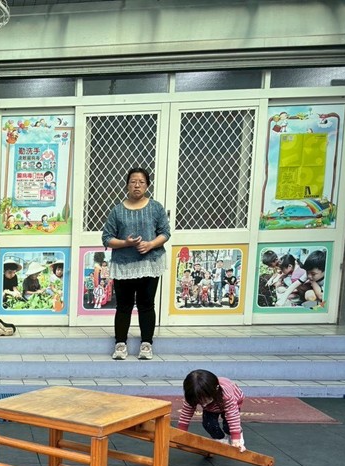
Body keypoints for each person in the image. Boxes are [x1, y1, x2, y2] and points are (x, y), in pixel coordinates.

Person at [101, 167, 171, 360]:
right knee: (123, 306)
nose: (137, 185)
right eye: (133, 181)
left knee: (146, 304)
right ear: (127, 185)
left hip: (149, 264)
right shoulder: (117, 210)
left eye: (141, 182)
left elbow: (165, 233)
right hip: (124, 266)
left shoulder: (156, 208)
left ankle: (146, 344)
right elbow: (106, 238)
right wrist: (126, 243)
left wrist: (150, 245)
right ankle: (120, 344)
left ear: (147, 185)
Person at [177, 369, 245, 451]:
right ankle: (221, 439)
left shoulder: (227, 396)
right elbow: (186, 414)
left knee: (228, 425)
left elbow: (232, 416)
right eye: (199, 401)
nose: (203, 403)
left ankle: (235, 433)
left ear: (215, 389)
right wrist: (181, 433)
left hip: (232, 400)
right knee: (209, 424)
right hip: (211, 407)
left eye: (206, 399)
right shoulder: (192, 396)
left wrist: (236, 439)